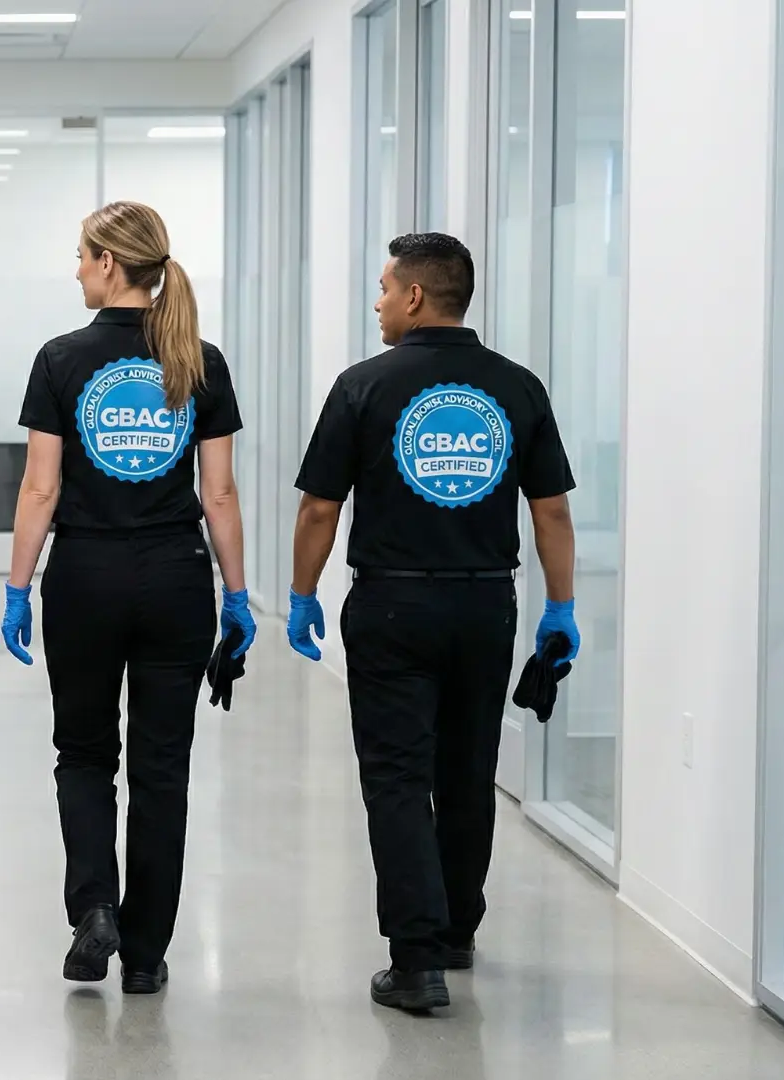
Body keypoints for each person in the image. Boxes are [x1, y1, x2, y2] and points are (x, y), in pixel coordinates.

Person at [287, 232, 579, 1012]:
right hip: (487, 605)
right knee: (466, 773)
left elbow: (320, 506)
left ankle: (416, 962)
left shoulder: (363, 386)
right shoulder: (517, 387)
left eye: (384, 288)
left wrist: (302, 592)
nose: (377, 301)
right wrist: (561, 606)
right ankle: (454, 931)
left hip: (391, 604)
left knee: (396, 777)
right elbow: (550, 509)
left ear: (415, 296)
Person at [3, 201, 253, 996]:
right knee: (162, 768)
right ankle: (145, 955)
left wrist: (15, 588)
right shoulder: (198, 359)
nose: (76, 267)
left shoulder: (60, 358)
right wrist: (239, 596)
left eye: (82, 254)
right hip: (176, 578)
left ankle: (93, 910)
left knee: (82, 754)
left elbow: (40, 489)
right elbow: (218, 495)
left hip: (85, 577)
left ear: (111, 262)